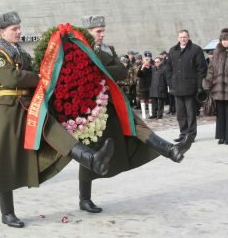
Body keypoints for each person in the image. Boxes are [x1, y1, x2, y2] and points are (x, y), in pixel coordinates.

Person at [0, 11, 115, 228]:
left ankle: (91, 159)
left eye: (19, 27)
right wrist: (38, 77)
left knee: (56, 132)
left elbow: (34, 70)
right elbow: (10, 77)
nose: (19, 31)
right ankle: (7, 212)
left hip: (30, 105)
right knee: (6, 159)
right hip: (9, 111)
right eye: (14, 29)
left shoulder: (21, 52)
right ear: (1, 32)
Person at [77, 15, 193, 214]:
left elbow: (121, 71)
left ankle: (170, 149)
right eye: (98, 31)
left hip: (111, 100)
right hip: (90, 105)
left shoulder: (107, 49)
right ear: (88, 31)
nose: (102, 34)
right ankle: (84, 198)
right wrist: (103, 70)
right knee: (92, 147)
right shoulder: (79, 48)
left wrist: (100, 70)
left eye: (103, 30)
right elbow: (85, 72)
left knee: (135, 124)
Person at [165, 29, 207, 143]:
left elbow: (202, 69)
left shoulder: (196, 49)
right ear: (178, 38)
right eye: (181, 37)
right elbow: (168, 68)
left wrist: (199, 86)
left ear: (188, 37)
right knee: (180, 113)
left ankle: (191, 134)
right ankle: (183, 133)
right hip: (177, 87)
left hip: (190, 87)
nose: (183, 39)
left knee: (191, 113)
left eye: (185, 37)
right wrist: (170, 82)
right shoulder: (173, 50)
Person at [203, 28, 228, 144]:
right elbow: (211, 70)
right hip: (218, 89)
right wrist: (207, 84)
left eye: (227, 39)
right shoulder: (217, 52)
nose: (225, 41)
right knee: (220, 114)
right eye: (223, 39)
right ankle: (222, 136)